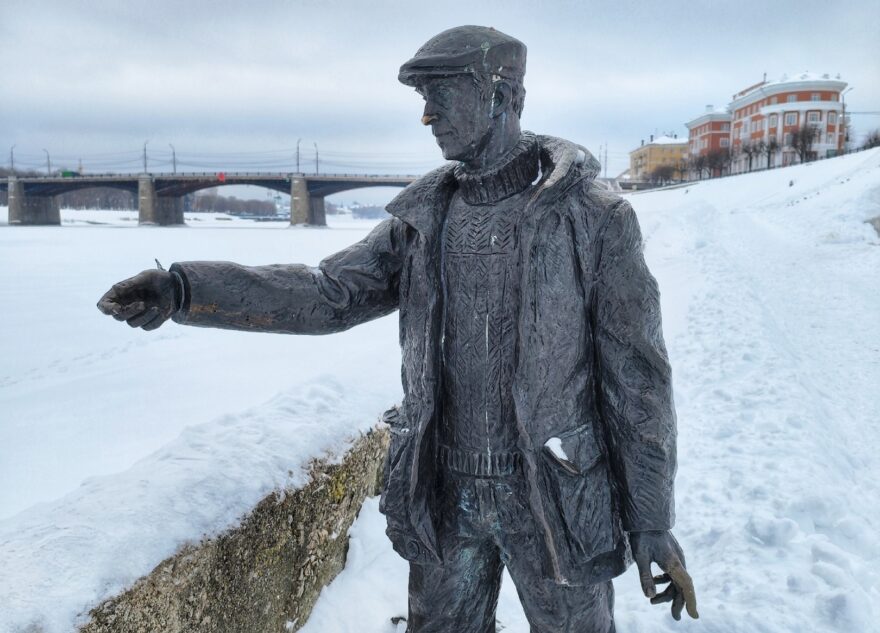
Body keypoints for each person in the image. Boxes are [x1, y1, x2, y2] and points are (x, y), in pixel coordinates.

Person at [98, 25, 697, 633]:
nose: (428, 115)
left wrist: (651, 520)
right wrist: (186, 289)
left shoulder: (593, 219)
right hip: (444, 494)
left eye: (441, 94)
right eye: (422, 99)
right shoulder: (420, 220)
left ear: (501, 92)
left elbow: (636, 379)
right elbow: (327, 294)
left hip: (557, 496)